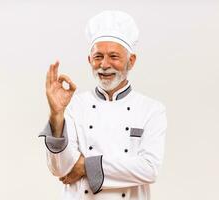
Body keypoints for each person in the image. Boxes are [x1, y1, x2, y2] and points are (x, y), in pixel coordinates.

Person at [39, 10, 167, 200]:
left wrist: (85, 166)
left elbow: (149, 169)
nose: (104, 65)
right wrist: (56, 115)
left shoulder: (152, 110)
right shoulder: (74, 106)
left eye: (114, 56)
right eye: (98, 56)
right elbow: (61, 169)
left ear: (131, 61)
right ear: (89, 60)